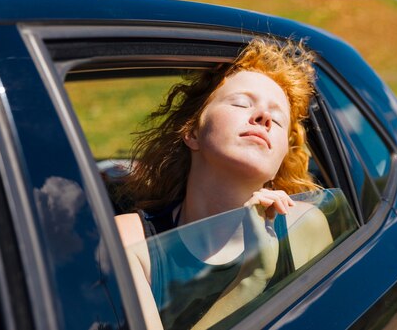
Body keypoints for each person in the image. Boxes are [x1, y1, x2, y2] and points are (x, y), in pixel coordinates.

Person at [115, 38, 333, 329]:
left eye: (278, 120)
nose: (264, 117)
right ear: (192, 132)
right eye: (242, 102)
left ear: (281, 158)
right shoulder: (131, 242)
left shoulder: (304, 227)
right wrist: (251, 280)